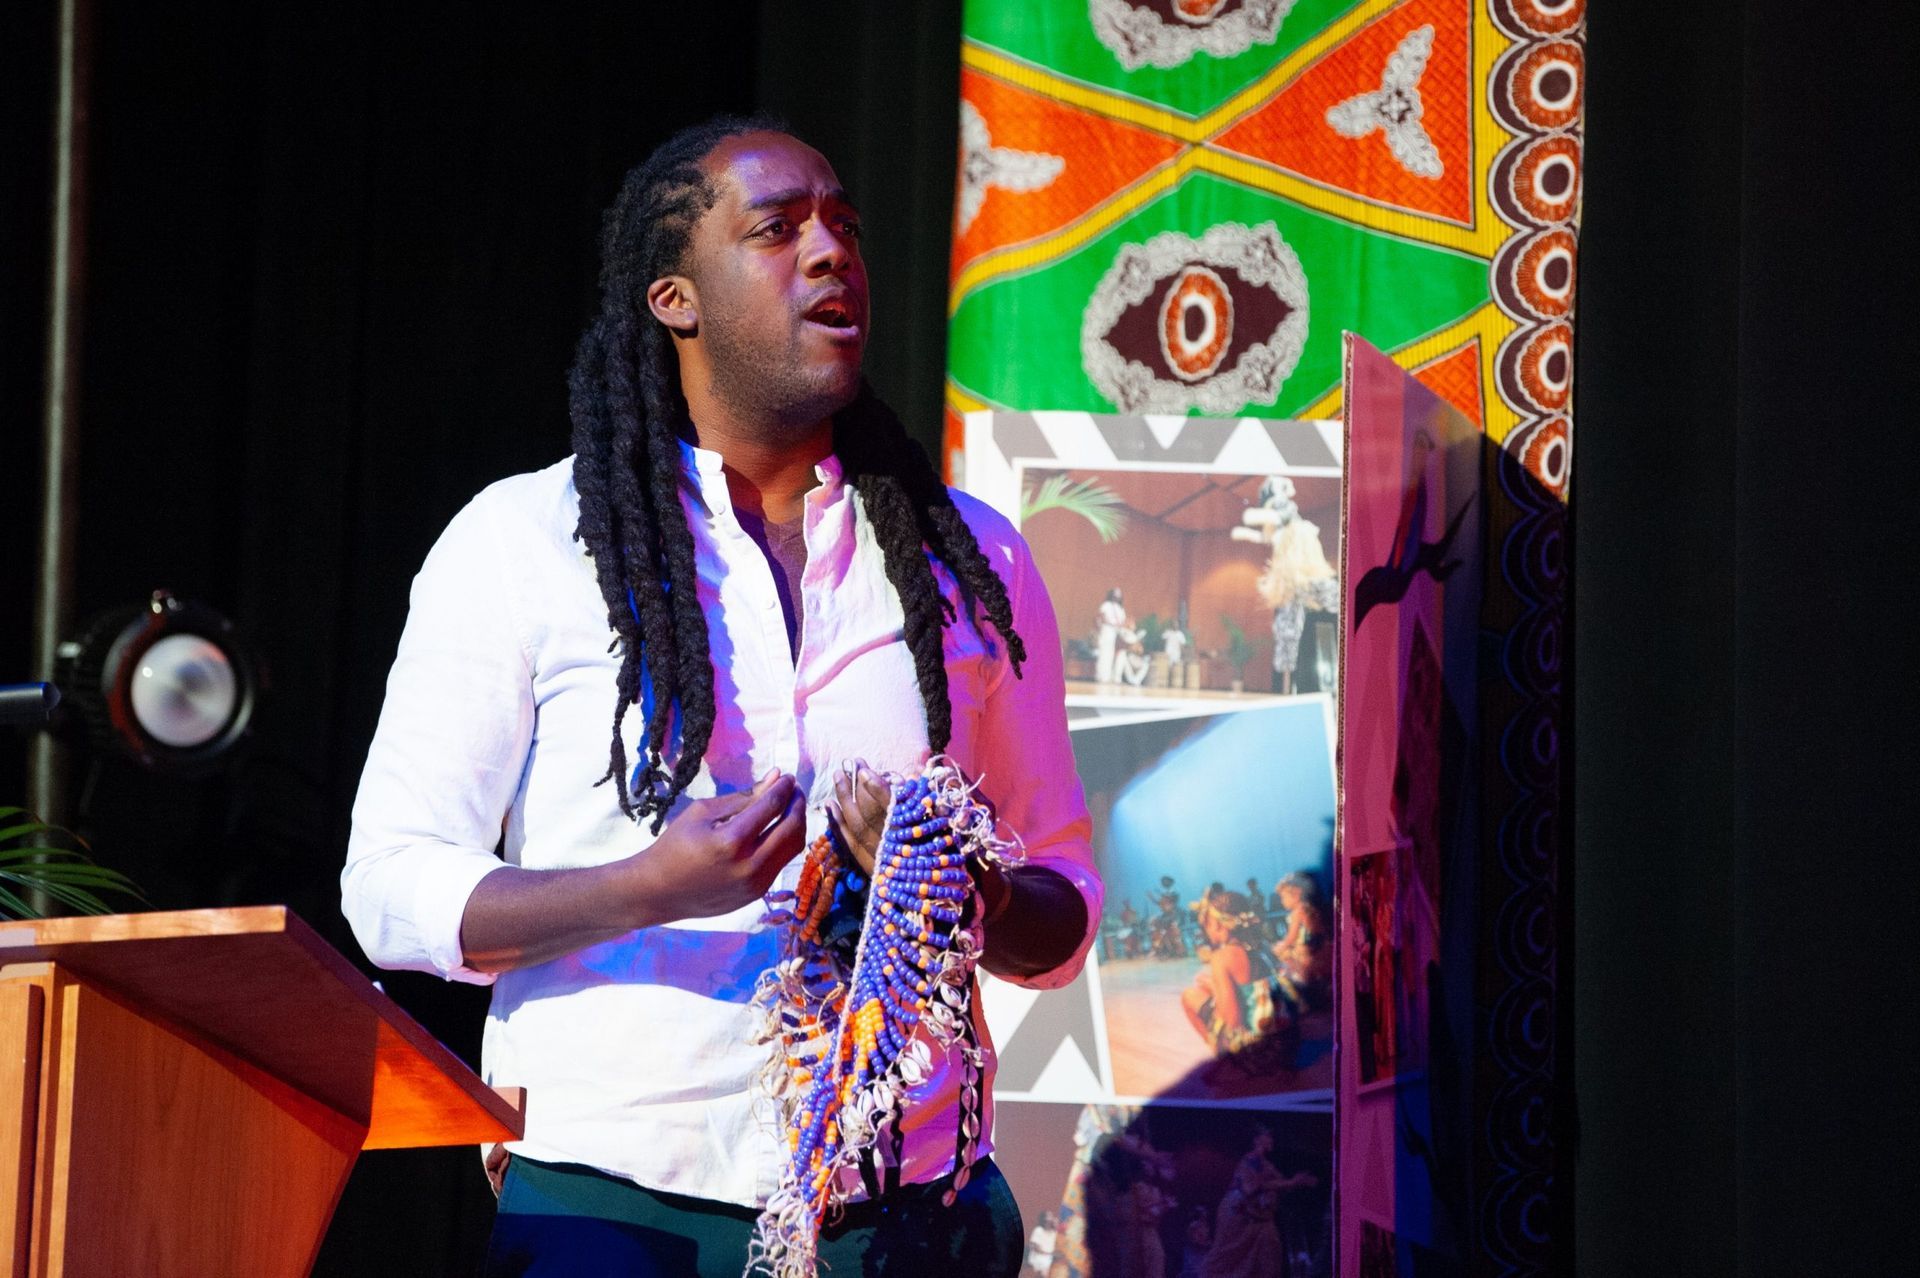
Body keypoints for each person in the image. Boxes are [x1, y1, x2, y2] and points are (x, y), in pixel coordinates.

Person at [341, 116, 1101, 1277]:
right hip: (613, 1207)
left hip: (909, 1214)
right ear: (675, 299)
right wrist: (648, 887)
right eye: (778, 229)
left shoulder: (972, 562)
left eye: (843, 223)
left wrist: (966, 895)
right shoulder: (525, 542)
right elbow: (392, 889)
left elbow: (1063, 906)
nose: (832, 251)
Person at [1094, 588, 1127, 683]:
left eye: (1119, 595)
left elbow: (1123, 621)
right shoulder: (1106, 605)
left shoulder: (1121, 608)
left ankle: (1111, 677)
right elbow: (1101, 617)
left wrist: (1120, 626)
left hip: (1117, 632)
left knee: (1112, 655)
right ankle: (1101, 676)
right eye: (1115, 594)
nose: (1117, 597)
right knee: (1105, 653)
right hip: (1107, 630)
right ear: (1111, 595)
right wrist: (1111, 624)